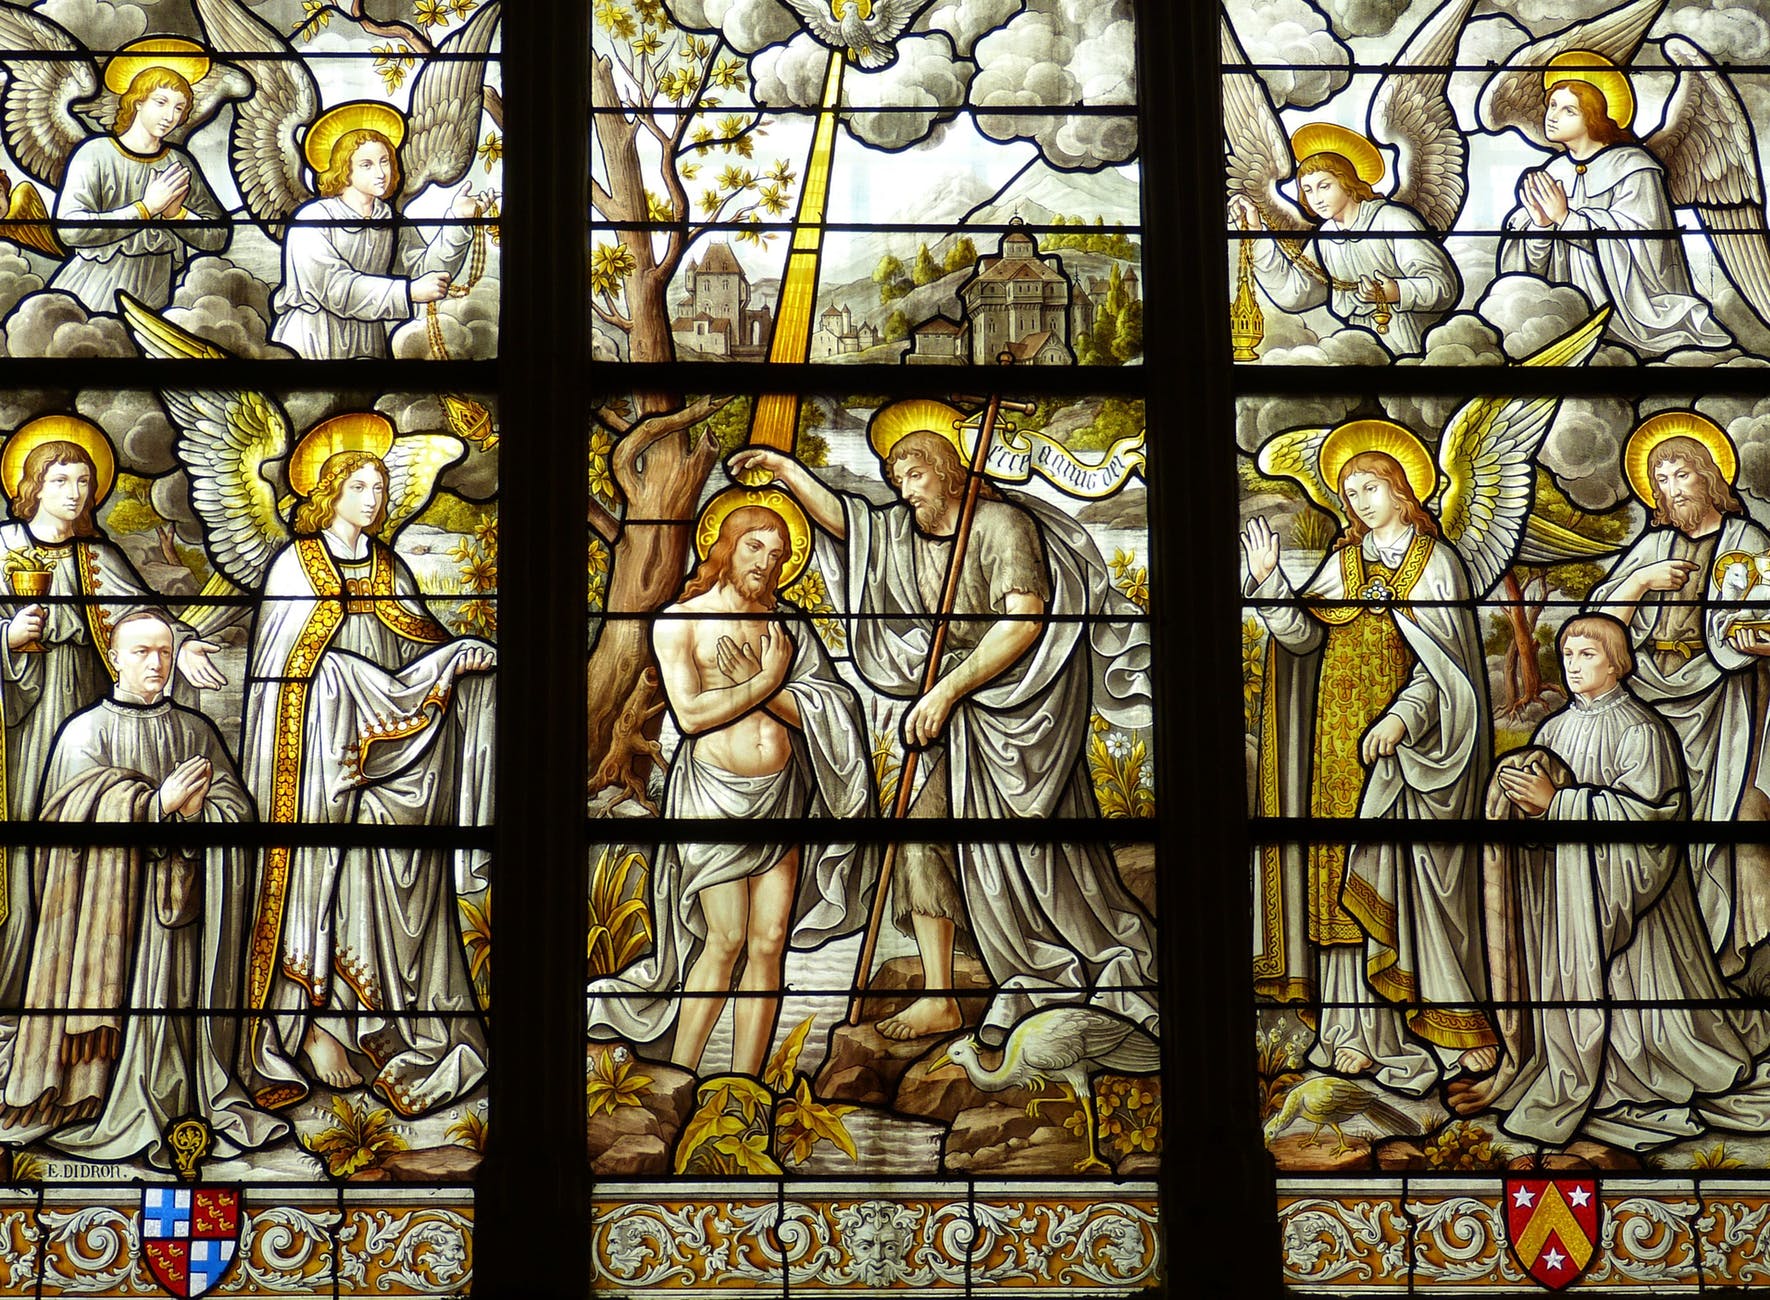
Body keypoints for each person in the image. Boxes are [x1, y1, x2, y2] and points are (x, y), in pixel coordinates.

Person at [729, 422, 1158, 1049]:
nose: (905, 491)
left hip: (1021, 710)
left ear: (949, 472)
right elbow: (851, 524)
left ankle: (1055, 959)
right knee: (917, 834)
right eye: (897, 479)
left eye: (916, 475)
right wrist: (786, 472)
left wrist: (946, 691)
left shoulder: (1003, 526)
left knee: (1029, 851)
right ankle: (939, 996)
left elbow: (1024, 622)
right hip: (954, 714)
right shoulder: (905, 534)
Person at [239, 425, 496, 1117]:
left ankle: (375, 1023)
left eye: (381, 488)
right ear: (329, 494)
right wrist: (356, 689)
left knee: (383, 866)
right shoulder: (295, 567)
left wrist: (458, 662)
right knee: (314, 873)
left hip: (385, 756)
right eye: (360, 486)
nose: (374, 499)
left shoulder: (391, 571)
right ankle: (310, 1024)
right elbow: (286, 674)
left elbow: (418, 656)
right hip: (311, 759)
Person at [1242, 433, 1497, 1095]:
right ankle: (1349, 1035)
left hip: (1406, 755)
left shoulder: (1436, 564)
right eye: (1349, 493)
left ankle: (1424, 1031)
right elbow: (1303, 637)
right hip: (1335, 746)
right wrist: (1271, 585)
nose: (1359, 501)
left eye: (1371, 487)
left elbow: (1446, 670)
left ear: (1401, 490)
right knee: (1336, 877)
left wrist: (1401, 719)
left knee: (1404, 876)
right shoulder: (1344, 561)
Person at [586, 501, 876, 1076]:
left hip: (781, 796)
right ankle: (682, 1077)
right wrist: (765, 680)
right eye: (754, 547)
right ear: (724, 546)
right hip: (711, 796)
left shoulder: (787, 627)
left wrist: (768, 687)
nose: (766, 563)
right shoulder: (680, 620)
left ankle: (744, 1085)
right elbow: (692, 716)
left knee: (768, 941)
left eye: (778, 554)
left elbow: (829, 708)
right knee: (724, 939)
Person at [1470, 615, 1770, 1151]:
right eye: (1567, 655)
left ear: (1617, 663)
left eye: (1587, 655)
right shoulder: (1552, 730)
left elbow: (1653, 823)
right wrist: (1520, 804)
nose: (1573, 665)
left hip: (1642, 925)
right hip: (1568, 903)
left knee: (1650, 1026)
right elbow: (1539, 829)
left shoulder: (1641, 730)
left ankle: (1636, 1061)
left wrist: (1559, 803)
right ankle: (1563, 1056)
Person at [0, 612, 285, 1167]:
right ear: (114, 658)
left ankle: (182, 1097)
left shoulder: (196, 731)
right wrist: (154, 806)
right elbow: (64, 834)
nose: (156, 663)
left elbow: (238, 814)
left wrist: (199, 815)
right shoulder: (84, 732)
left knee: (178, 1011)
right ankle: (103, 1097)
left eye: (164, 652)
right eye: (141, 652)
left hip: (181, 908)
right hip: (106, 920)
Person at [0, 421, 224, 1057]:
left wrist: (184, 645)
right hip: (16, 725)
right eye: (59, 480)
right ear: (29, 486)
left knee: (81, 839)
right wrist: (6, 640)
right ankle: (16, 985)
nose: (74, 493)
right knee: (25, 849)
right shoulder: (1, 548)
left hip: (88, 722)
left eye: (84, 481)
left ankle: (70, 978)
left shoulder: (98, 558)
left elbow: (143, 619)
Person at [1588, 417, 1770, 976]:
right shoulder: (1653, 545)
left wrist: (1755, 638)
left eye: (1682, 474)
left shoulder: (1748, 540)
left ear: (1709, 476)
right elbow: (1599, 626)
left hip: (1723, 700)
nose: (1673, 489)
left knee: (1719, 820)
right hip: (1650, 697)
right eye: (1661, 479)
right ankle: (1660, 954)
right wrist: (1641, 581)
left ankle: (1720, 952)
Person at [1497, 68, 1728, 357]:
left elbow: (1647, 246)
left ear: (1594, 117)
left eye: (1569, 110)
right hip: (1565, 315)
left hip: (1632, 311)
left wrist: (1567, 219)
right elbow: (1531, 271)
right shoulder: (1553, 172)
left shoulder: (1633, 167)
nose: (1552, 116)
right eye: (1552, 105)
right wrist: (1542, 227)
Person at [271, 104, 492, 360]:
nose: (381, 173)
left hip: (368, 340)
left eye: (385, 161)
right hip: (314, 337)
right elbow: (333, 287)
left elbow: (424, 272)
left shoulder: (387, 219)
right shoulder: (313, 219)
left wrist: (458, 220)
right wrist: (407, 292)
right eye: (366, 164)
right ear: (344, 169)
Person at [1228, 129, 1460, 358]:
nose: (1316, 199)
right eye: (1308, 190)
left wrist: (1397, 291)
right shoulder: (1325, 237)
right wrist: (1256, 232)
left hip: (1413, 341)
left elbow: (1444, 286)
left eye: (1324, 186)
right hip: (1359, 347)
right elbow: (1296, 293)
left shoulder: (1391, 219)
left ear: (1346, 182)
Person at [50, 47, 227, 313]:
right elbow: (69, 229)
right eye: (161, 102)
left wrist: (177, 215)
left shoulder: (178, 163)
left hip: (156, 291)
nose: (170, 116)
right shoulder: (95, 153)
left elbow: (218, 237)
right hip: (93, 288)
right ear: (137, 101)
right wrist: (144, 209)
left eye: (179, 108)